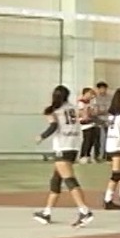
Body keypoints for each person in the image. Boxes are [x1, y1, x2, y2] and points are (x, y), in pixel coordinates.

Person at [32, 85, 94, 228]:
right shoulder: (72, 108)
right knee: (56, 179)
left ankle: (84, 211)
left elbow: (53, 126)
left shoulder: (54, 110)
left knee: (69, 180)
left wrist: (41, 136)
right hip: (73, 146)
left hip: (62, 147)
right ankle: (46, 212)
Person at [77, 87, 99, 164]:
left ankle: (88, 155)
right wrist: (88, 113)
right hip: (85, 123)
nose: (91, 95)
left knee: (92, 140)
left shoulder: (90, 102)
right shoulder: (81, 102)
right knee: (87, 139)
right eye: (90, 93)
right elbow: (84, 114)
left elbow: (94, 112)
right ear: (85, 93)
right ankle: (83, 155)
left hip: (92, 122)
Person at [93, 81, 111, 161]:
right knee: (98, 139)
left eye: (104, 88)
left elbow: (111, 109)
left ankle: (107, 155)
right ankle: (97, 155)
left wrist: (102, 111)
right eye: (100, 88)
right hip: (98, 121)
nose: (102, 90)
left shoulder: (110, 98)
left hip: (108, 121)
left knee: (108, 139)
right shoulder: (95, 99)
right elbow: (95, 112)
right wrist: (103, 111)